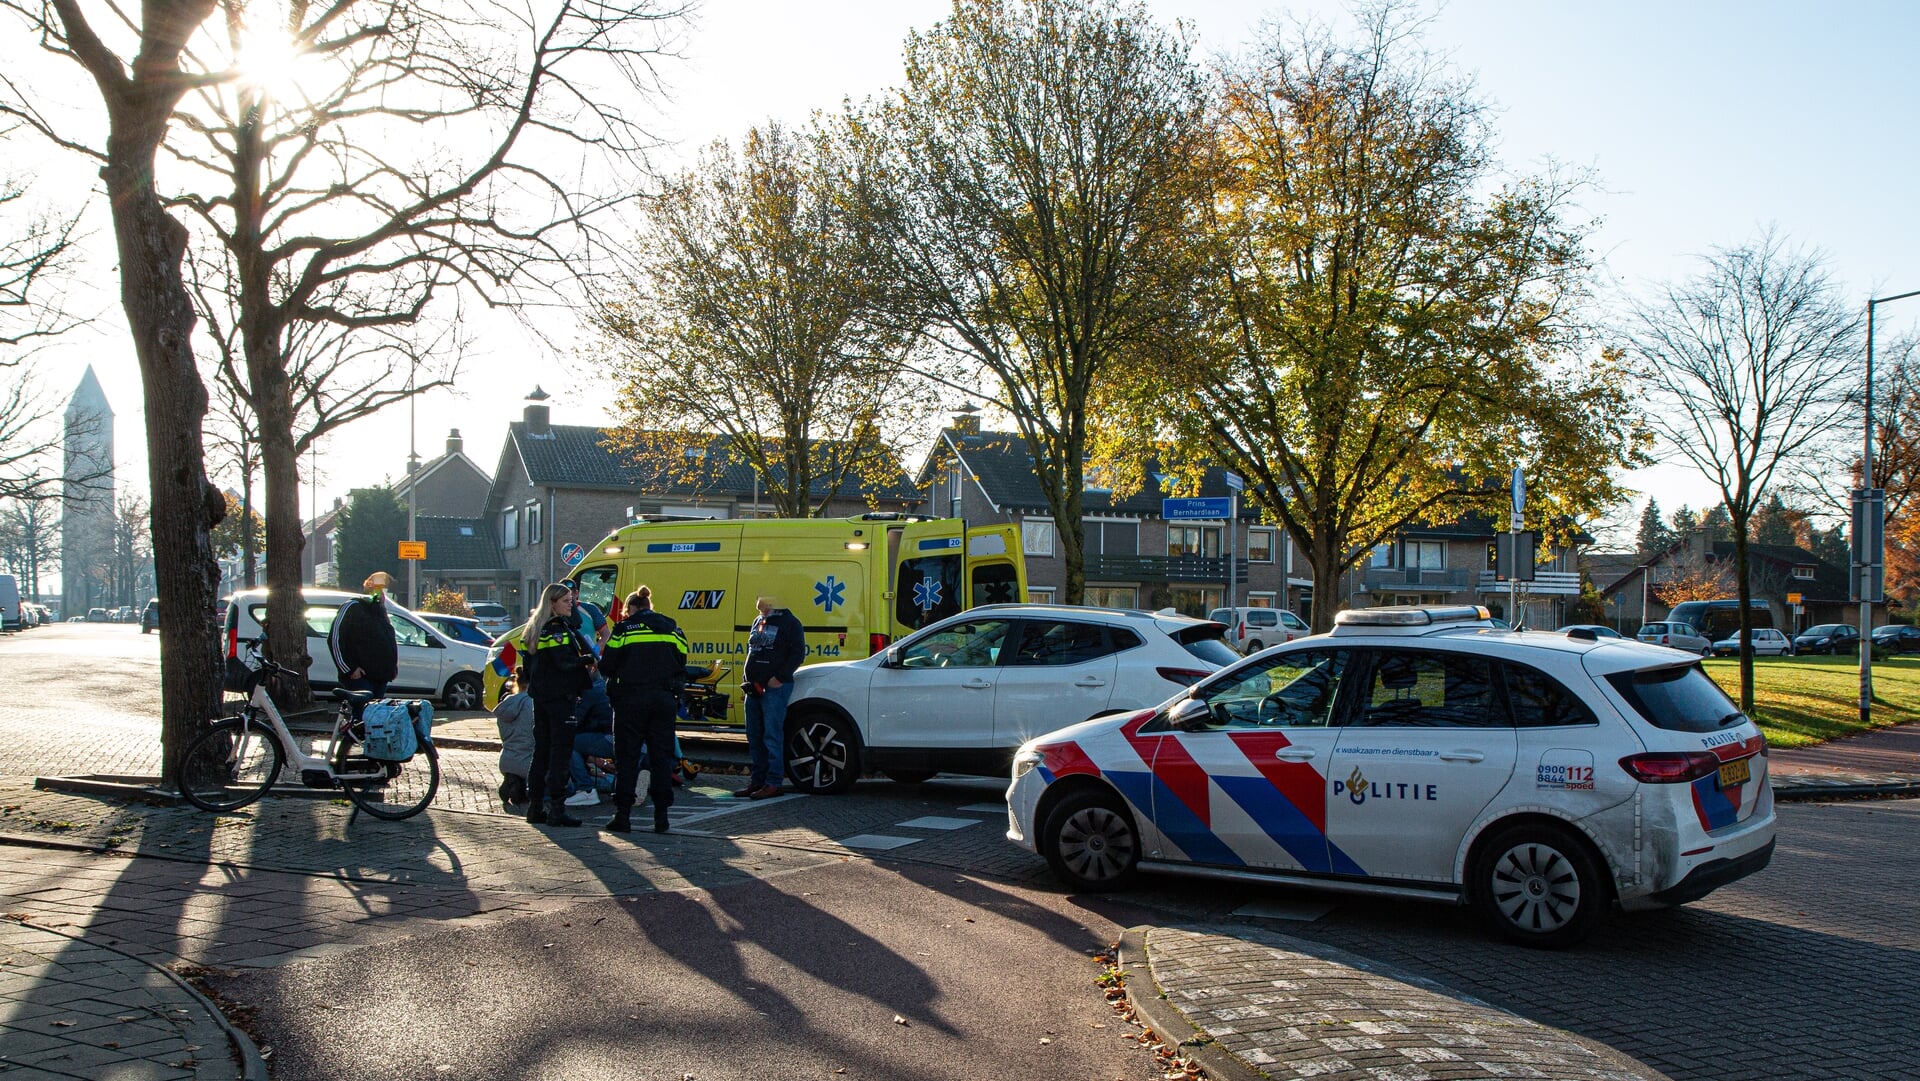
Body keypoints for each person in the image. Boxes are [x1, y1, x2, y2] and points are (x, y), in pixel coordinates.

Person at [598, 585, 688, 833]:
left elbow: (607, 665)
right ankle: (661, 817)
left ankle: (623, 815)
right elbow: (682, 660)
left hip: (630, 702)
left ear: (631, 609)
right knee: (661, 758)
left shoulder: (625, 629)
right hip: (663, 701)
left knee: (627, 758)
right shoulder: (672, 628)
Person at [520, 582, 597, 828]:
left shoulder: (533, 629)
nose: (571, 604)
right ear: (552, 603)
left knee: (541, 751)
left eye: (572, 600)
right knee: (560, 753)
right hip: (560, 698)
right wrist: (585, 659)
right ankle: (557, 809)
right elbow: (563, 663)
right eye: (566, 601)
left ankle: (535, 807)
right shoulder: (556, 630)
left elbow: (531, 666)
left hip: (540, 698)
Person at [740, 594, 804, 799]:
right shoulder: (759, 621)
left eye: (762, 604)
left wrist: (780, 677)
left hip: (774, 688)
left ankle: (774, 782)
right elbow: (753, 651)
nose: (760, 608)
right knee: (754, 734)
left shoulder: (790, 623)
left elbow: (798, 653)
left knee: (771, 735)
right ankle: (758, 780)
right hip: (754, 687)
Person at [329, 571, 400, 698]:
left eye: (384, 590)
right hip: (360, 677)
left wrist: (391, 668)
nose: (382, 595)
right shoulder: (353, 607)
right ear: (369, 587)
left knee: (374, 715)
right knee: (362, 711)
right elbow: (335, 639)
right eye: (379, 588)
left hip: (381, 677)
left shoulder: (380, 612)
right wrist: (349, 669)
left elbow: (388, 641)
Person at [564, 684, 616, 808]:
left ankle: (586, 789)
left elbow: (575, 721)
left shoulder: (589, 692)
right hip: (627, 738)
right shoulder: (603, 687)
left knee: (569, 742)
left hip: (610, 738)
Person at [493, 670, 534, 806]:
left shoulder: (507, 703)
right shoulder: (532, 703)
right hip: (528, 762)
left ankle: (511, 780)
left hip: (506, 759)